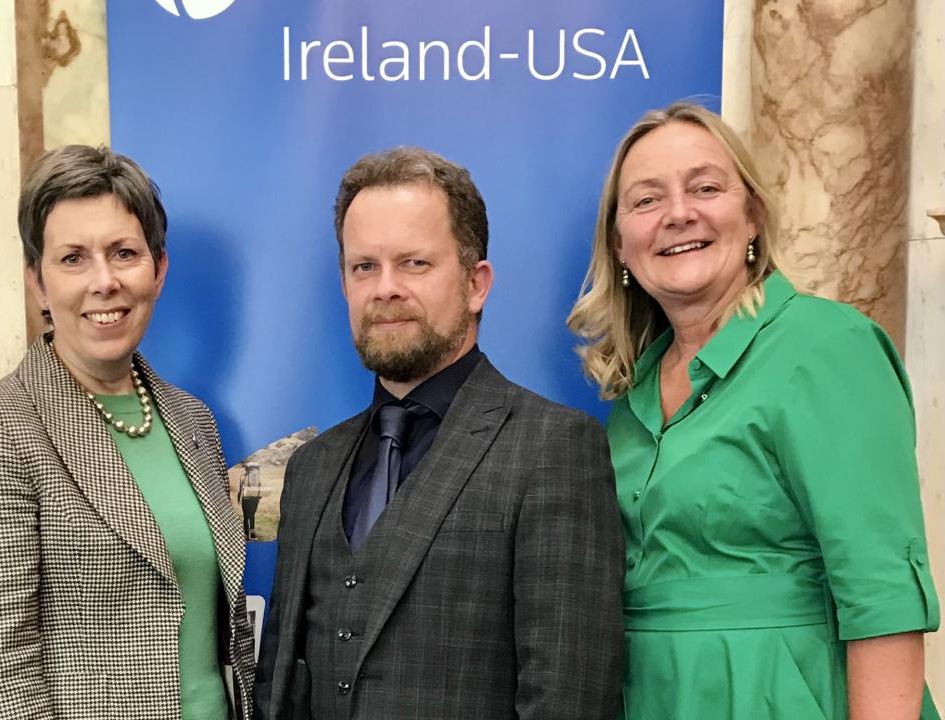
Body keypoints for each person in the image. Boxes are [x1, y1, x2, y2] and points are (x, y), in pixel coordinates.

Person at [567, 102, 941, 720]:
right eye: (646, 200)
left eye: (706, 187)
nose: (678, 213)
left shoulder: (826, 348)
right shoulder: (631, 398)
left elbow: (881, 590)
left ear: (754, 217)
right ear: (620, 244)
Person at [254, 147, 624, 720]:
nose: (385, 288)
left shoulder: (554, 449)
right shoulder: (313, 466)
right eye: (364, 267)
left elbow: (569, 700)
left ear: (476, 284)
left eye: (415, 263)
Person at [0, 145, 255, 719]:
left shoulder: (191, 418)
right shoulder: (1, 426)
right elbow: (1, 673)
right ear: (37, 283)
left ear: (158, 270)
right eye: (73, 258)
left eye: (123, 253)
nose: (103, 281)